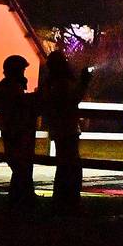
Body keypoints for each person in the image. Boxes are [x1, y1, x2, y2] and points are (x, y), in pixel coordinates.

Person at [39, 50, 90, 213]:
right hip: (67, 129)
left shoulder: (50, 83)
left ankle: (61, 200)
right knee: (71, 166)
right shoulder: (62, 83)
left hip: (59, 129)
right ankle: (70, 201)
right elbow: (73, 99)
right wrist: (84, 83)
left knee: (63, 166)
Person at [0, 55, 37, 207]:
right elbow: (20, 104)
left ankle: (18, 197)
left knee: (19, 165)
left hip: (11, 129)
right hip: (16, 130)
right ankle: (22, 198)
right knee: (21, 165)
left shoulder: (5, 86)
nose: (23, 72)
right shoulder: (13, 87)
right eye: (22, 69)